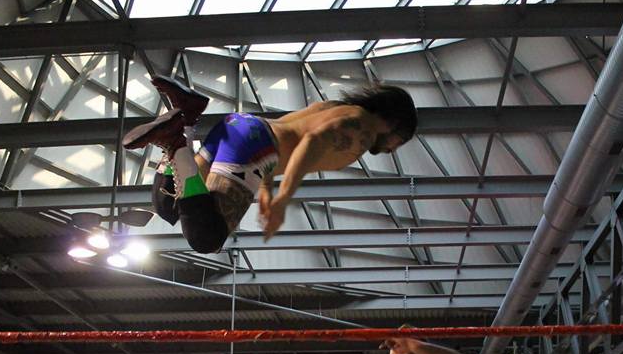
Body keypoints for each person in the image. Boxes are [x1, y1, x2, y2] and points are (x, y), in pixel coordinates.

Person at [124, 79, 417, 252]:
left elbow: (285, 131)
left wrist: (266, 188)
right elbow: (311, 142)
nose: (391, 150)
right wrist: (282, 199)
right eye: (399, 142)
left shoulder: (334, 108)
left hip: (241, 126)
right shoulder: (363, 131)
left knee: (168, 205)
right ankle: (175, 141)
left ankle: (186, 120)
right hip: (257, 148)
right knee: (206, 237)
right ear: (395, 124)